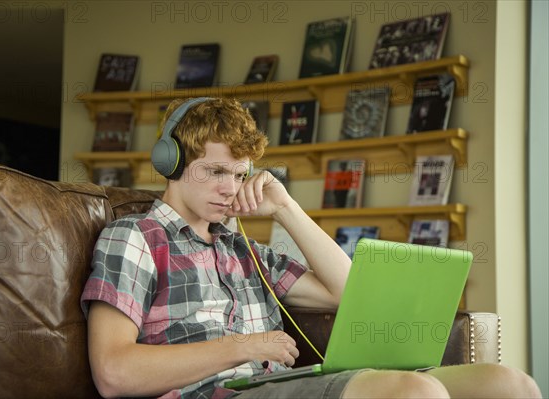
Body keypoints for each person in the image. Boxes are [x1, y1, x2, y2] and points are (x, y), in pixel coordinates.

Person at [81, 97, 541, 399]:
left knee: (507, 384)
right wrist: (243, 346)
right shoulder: (136, 238)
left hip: (279, 385)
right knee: (416, 394)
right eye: (216, 172)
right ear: (171, 162)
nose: (230, 188)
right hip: (217, 394)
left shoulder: (245, 251)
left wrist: (285, 208)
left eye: (239, 175)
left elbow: (348, 293)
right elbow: (114, 372)